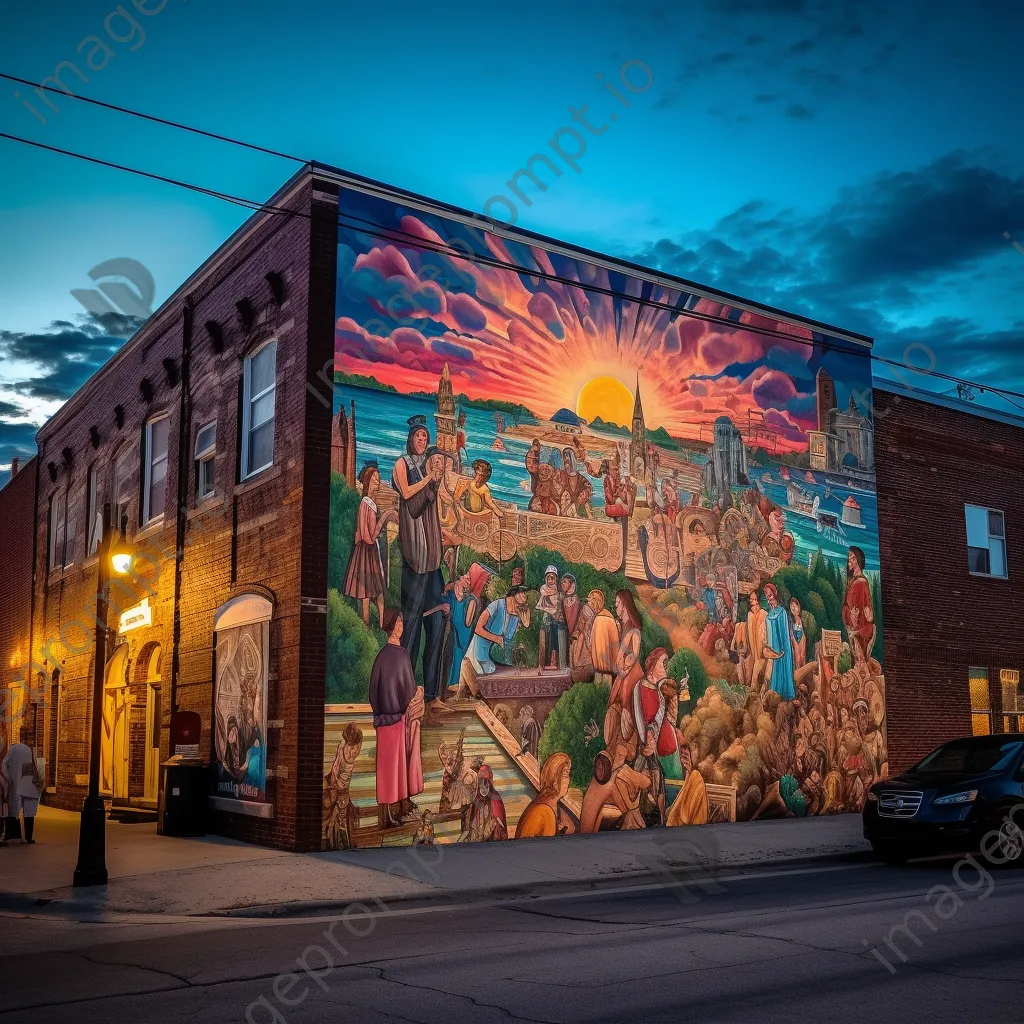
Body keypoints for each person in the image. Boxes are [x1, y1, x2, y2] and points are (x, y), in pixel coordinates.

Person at [392, 418, 446, 707]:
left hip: (431, 558)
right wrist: (428, 479)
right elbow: (407, 495)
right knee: (411, 626)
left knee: (436, 624)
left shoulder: (428, 467)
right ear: (411, 437)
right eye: (420, 436)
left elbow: (431, 505)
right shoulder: (402, 463)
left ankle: (433, 694)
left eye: (426, 437)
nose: (423, 441)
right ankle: (405, 689)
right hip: (414, 557)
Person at [368, 610, 419, 829]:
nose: (401, 625)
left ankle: (389, 812)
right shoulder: (401, 655)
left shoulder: (380, 656)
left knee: (387, 766)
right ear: (392, 626)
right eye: (398, 621)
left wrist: (380, 711)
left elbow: (372, 691)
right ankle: (396, 809)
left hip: (382, 720)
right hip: (398, 718)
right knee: (398, 766)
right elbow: (409, 689)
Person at [343, 462, 397, 627]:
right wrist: (386, 516)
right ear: (367, 482)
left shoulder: (367, 502)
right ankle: (369, 624)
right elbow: (369, 537)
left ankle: (378, 623)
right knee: (369, 590)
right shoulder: (367, 504)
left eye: (379, 479)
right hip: (367, 551)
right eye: (374, 479)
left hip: (367, 551)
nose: (378, 482)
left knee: (373, 590)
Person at [443, 562, 493, 700]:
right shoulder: (463, 595)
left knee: (459, 658)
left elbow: (467, 623)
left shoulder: (470, 599)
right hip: (456, 633)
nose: (464, 577)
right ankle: (454, 685)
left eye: (469, 577)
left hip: (459, 634)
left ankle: (457, 686)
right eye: (465, 575)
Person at [605, 590, 644, 746]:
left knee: (628, 702)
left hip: (632, 672)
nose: (615, 606)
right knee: (616, 703)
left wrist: (625, 665)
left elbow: (633, 654)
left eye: (618, 603)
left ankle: (629, 743)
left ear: (625, 605)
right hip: (623, 671)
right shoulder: (623, 625)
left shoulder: (634, 629)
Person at [466, 585, 530, 679]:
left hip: (497, 656)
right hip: (480, 650)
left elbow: (526, 625)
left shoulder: (516, 615)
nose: (525, 596)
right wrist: (497, 639)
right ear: (514, 595)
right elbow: (477, 628)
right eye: (522, 593)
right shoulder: (496, 605)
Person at [322, 723, 363, 850]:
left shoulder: (346, 747)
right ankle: (338, 842)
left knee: (338, 816)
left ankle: (337, 842)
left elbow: (339, 769)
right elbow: (339, 768)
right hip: (337, 785)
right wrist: (333, 783)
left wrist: (334, 784)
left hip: (336, 784)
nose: (353, 750)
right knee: (338, 817)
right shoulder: (347, 747)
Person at [515, 752, 571, 838]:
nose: (569, 780)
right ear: (555, 781)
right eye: (566, 775)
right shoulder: (545, 811)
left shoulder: (544, 802)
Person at [3, 736, 41, 845]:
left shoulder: (14, 750)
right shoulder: (34, 752)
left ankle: (13, 835)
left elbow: (6, 764)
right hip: (31, 786)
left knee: (14, 810)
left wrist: (8, 780)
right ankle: (29, 838)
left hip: (17, 785)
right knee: (29, 812)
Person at [762, 583, 797, 701]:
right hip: (773, 651)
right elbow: (768, 635)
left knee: (784, 671)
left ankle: (787, 694)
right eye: (766, 594)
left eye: (769, 593)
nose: (768, 596)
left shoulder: (781, 612)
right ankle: (775, 694)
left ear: (774, 593)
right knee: (773, 675)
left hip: (783, 649)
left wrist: (783, 651)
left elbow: (785, 635)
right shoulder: (768, 616)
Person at [842, 545, 876, 664]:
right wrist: (849, 615)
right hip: (851, 628)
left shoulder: (861, 583)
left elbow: (867, 612)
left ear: (858, 560)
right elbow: (846, 606)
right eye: (848, 558)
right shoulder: (852, 581)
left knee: (859, 664)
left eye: (852, 558)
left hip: (859, 631)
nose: (849, 561)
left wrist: (865, 618)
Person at [461, 764, 507, 842]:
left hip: (491, 835)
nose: (483, 786)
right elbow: (472, 817)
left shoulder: (495, 797)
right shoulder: (476, 797)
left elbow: (499, 821)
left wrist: (493, 824)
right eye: (481, 782)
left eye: (485, 783)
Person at [588, 590, 619, 687]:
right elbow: (615, 643)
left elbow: (592, 643)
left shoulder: (599, 619)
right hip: (609, 667)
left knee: (601, 691)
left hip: (601, 667)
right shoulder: (610, 618)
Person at [535, 565, 564, 670]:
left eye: (553, 578)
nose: (551, 581)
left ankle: (555, 658)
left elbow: (558, 601)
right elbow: (546, 594)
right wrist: (554, 592)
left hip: (555, 614)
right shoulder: (543, 587)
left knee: (556, 634)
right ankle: (543, 662)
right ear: (546, 578)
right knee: (545, 635)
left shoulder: (558, 588)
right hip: (546, 613)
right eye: (549, 578)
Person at [558, 447, 593, 518]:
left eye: (568, 462)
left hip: (578, 511)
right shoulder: (560, 476)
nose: (566, 465)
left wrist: (585, 493)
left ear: (573, 461)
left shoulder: (581, 479)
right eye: (565, 462)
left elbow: (588, 488)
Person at [790, 596, 807, 668]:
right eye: (791, 606)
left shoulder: (803, 620)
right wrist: (794, 641)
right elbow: (791, 634)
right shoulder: (790, 621)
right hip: (794, 639)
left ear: (799, 607)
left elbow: (804, 633)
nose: (793, 608)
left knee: (802, 657)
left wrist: (803, 639)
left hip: (802, 638)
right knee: (797, 659)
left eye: (795, 605)